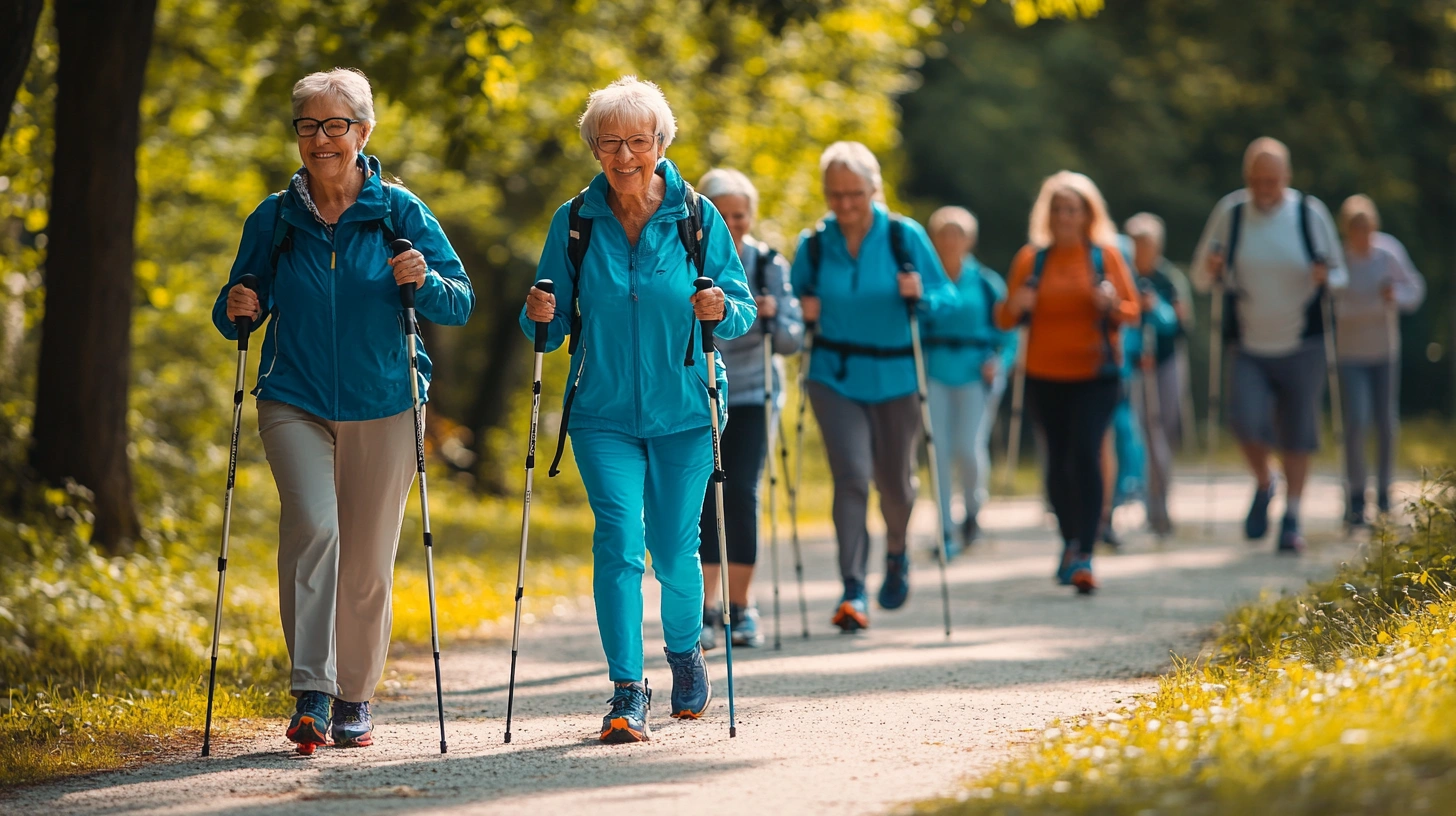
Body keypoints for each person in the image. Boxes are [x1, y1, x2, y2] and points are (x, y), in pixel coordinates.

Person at [213, 69, 475, 751]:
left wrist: (424, 278)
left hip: (387, 403)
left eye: (335, 126)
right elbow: (239, 306)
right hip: (293, 398)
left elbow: (458, 301)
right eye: (308, 125)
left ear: (363, 132)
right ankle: (312, 692)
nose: (321, 139)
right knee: (313, 528)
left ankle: (356, 696)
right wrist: (236, 308)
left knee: (365, 561)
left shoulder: (397, 211)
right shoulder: (275, 217)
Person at [520, 77, 755, 743]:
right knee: (619, 543)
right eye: (610, 143)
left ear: (660, 143)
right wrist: (536, 313)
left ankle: (684, 655)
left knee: (675, 552)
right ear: (594, 148)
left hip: (686, 410)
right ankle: (627, 688)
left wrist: (721, 308)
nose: (624, 156)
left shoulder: (697, 216)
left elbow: (739, 309)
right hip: (600, 413)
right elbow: (548, 320)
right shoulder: (574, 222)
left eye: (638, 142)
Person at [790, 141, 957, 631]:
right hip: (834, 377)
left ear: (873, 189)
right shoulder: (815, 244)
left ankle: (898, 553)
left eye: (854, 194)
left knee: (896, 485)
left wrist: (921, 295)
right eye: (834, 194)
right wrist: (802, 308)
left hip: (898, 377)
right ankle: (852, 588)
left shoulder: (905, 237)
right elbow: (791, 299)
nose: (843, 205)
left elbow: (948, 297)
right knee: (852, 476)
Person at [1190, 137, 1347, 554]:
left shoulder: (1309, 214)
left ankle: (1292, 515)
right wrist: (1211, 268)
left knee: (1298, 433)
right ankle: (1265, 481)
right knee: (1244, 420)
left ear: (1287, 178)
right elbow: (1200, 279)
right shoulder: (1232, 213)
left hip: (1303, 341)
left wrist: (1324, 278)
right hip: (1249, 341)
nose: (1265, 189)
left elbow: (1339, 275)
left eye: (1273, 181)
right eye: (1258, 180)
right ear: (1247, 179)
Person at [994, 171, 1139, 594]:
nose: (1065, 217)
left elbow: (1132, 312)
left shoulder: (1105, 256)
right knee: (1057, 460)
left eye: (1072, 209)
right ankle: (1069, 541)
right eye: (1058, 209)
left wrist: (1111, 304)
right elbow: (1003, 318)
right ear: (1048, 214)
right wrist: (1016, 303)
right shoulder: (1031, 259)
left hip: (1095, 373)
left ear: (1087, 214)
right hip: (1044, 374)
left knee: (1085, 453)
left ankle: (1086, 553)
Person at [694, 168, 804, 650]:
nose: (733, 224)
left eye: (740, 215)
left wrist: (773, 314)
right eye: (724, 214)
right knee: (702, 495)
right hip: (700, 392)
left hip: (754, 393)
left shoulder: (767, 264)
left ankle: (741, 607)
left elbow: (790, 341)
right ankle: (706, 610)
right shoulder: (688, 257)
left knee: (739, 492)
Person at [922, 206, 1015, 554]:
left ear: (969, 239)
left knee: (969, 448)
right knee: (939, 451)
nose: (950, 240)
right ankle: (944, 530)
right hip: (935, 373)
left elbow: (1008, 332)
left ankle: (973, 510)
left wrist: (1000, 361)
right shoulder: (926, 280)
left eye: (957, 233)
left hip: (977, 375)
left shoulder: (987, 282)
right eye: (943, 233)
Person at [1333, 194, 1425, 526]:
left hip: (1385, 351)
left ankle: (1384, 493)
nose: (1363, 236)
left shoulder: (1389, 254)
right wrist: (1373, 306)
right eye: (1356, 230)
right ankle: (1356, 494)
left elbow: (1415, 290)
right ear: (1347, 231)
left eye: (1367, 229)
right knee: (1356, 422)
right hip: (1350, 354)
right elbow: (1336, 308)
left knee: (1386, 423)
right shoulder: (1340, 260)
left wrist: (1394, 296)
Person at [1124, 214, 1186, 535]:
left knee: (1162, 430)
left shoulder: (1168, 278)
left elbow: (1178, 322)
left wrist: (1155, 307)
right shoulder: (1123, 274)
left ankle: (1161, 504)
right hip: (1136, 363)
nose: (1139, 250)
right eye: (1135, 243)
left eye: (1145, 244)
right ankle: (1150, 505)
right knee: (1145, 432)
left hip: (1166, 360)